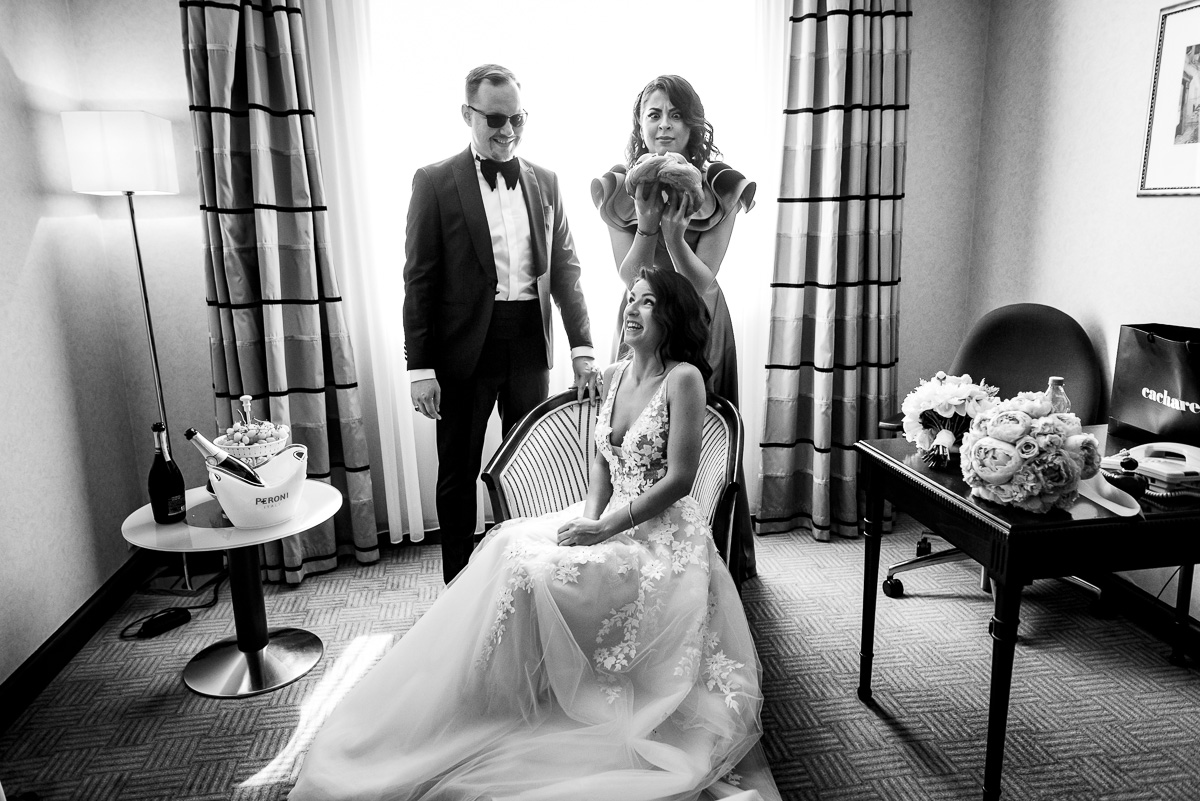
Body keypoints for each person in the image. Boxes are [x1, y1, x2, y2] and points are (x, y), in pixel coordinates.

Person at [289, 268, 780, 801]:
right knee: (507, 546)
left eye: (648, 302)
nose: (631, 310)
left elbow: (681, 478)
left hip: (660, 538)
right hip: (607, 517)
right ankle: (489, 695)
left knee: (540, 570)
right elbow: (602, 460)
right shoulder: (615, 373)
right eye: (630, 300)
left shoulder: (684, 379)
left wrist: (606, 528)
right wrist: (589, 521)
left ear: (672, 315)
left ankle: (534, 696)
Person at [405, 64, 600, 583]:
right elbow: (419, 281)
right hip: (463, 351)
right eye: (494, 118)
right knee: (458, 473)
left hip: (529, 347)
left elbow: (566, 270)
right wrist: (419, 368)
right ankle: (458, 585)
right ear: (466, 114)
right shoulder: (434, 182)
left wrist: (582, 348)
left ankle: (526, 579)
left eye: (517, 118)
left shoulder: (547, 181)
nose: (508, 130)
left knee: (530, 470)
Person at [592, 75, 758, 581]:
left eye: (676, 114)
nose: (664, 125)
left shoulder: (721, 187)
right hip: (641, 313)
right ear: (639, 124)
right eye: (654, 114)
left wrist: (675, 237)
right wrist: (647, 227)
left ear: (693, 125)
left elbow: (703, 282)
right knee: (631, 433)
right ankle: (618, 537)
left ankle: (711, 557)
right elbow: (630, 276)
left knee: (702, 436)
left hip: (698, 320)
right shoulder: (620, 187)